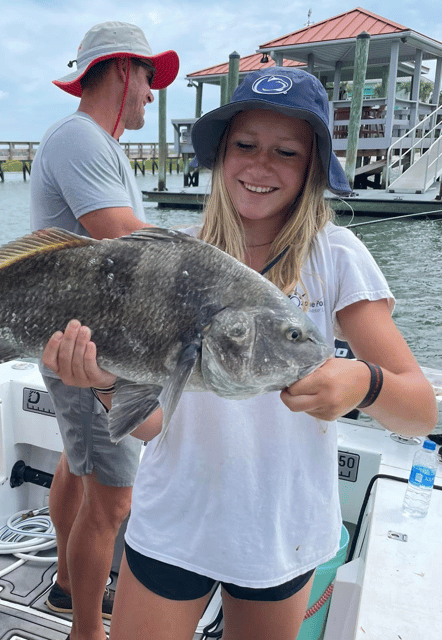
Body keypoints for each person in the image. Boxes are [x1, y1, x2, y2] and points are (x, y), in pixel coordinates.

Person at [41, 67, 438, 640]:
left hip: (281, 534)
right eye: (246, 146)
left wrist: (362, 384)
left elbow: (421, 411)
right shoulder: (179, 258)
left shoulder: (336, 258)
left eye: (287, 152)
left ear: (312, 168)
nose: (260, 166)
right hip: (173, 521)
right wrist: (101, 382)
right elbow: (153, 425)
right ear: (222, 154)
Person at [29, 21, 178, 640]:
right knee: (112, 500)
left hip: (82, 342)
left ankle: (69, 586)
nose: (151, 92)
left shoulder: (99, 143)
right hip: (89, 349)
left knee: (76, 458)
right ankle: (86, 630)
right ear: (122, 71)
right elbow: (124, 238)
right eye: (148, 77)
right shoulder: (79, 139)